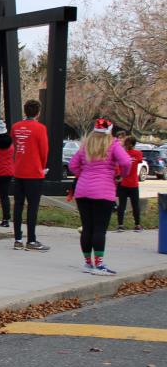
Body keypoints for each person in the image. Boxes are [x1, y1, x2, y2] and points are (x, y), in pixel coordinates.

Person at [69, 118, 132, 275]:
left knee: (87, 228)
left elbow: (72, 165)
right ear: (109, 131)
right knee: (99, 229)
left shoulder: (86, 144)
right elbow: (126, 162)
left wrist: (83, 174)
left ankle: (88, 263)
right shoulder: (113, 144)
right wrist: (121, 176)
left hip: (82, 190)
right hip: (103, 191)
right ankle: (99, 265)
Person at [11, 99, 49, 251]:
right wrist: (42, 166)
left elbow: (15, 146)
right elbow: (44, 151)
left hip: (19, 170)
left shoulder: (15, 127)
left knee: (18, 205)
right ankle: (31, 240)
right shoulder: (40, 128)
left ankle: (17, 239)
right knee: (32, 207)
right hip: (34, 172)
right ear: (38, 112)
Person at [116, 135, 143, 232]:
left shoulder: (122, 154)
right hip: (133, 184)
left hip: (123, 183)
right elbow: (140, 161)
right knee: (135, 205)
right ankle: (137, 225)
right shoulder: (138, 153)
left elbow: (117, 166)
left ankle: (120, 225)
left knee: (122, 205)